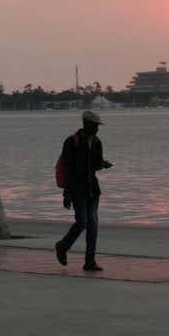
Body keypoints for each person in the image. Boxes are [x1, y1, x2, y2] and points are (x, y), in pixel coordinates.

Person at [54, 110, 112, 272]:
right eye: (95, 126)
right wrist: (66, 193)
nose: (97, 129)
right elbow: (67, 169)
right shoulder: (71, 142)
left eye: (98, 126)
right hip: (77, 190)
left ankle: (90, 261)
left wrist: (103, 164)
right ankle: (62, 246)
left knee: (93, 225)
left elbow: (95, 164)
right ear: (86, 124)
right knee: (82, 222)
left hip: (93, 189)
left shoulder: (97, 142)